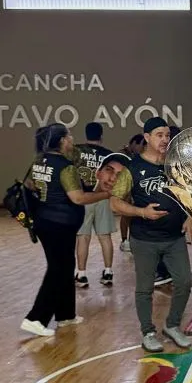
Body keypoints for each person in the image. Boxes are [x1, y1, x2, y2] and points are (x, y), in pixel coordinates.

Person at [109, 116, 192, 353]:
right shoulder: (132, 169)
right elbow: (115, 203)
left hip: (174, 238)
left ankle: (173, 325)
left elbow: (188, 196)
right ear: (146, 138)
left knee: (184, 282)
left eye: (167, 135)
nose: (165, 139)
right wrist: (141, 212)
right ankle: (148, 331)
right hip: (145, 239)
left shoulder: (175, 166)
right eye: (159, 135)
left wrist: (189, 217)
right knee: (145, 288)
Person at [21, 122, 112, 338]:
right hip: (60, 223)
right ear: (62, 140)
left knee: (65, 265)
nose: (72, 139)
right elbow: (78, 197)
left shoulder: (39, 161)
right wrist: (106, 195)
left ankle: (65, 315)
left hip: (45, 221)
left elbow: (29, 185)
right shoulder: (65, 166)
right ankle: (35, 318)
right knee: (58, 269)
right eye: (69, 135)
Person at [74, 122, 116, 288]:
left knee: (83, 237)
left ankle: (82, 275)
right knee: (105, 236)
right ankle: (108, 272)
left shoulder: (76, 151)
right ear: (101, 135)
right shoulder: (108, 155)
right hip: (102, 197)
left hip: (83, 198)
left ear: (86, 134)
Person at [119, 133, 146, 253]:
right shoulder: (122, 155)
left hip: (135, 189)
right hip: (124, 189)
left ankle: (132, 240)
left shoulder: (137, 156)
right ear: (134, 143)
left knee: (133, 216)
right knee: (126, 215)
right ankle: (125, 240)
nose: (142, 148)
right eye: (140, 145)